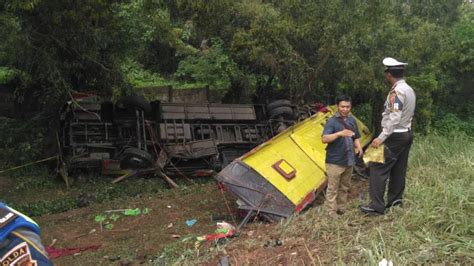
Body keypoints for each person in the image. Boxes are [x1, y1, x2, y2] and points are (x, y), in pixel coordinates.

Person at [360, 57, 416, 216]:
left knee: (377, 167)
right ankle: (395, 202)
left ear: (389, 75)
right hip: (406, 133)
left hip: (394, 135)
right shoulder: (409, 89)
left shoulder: (396, 92)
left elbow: (395, 117)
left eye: (386, 73)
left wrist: (381, 137)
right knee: (399, 168)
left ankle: (376, 207)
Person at [322, 95, 363, 217]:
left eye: (347, 107)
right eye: (342, 106)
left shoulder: (352, 120)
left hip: (349, 159)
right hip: (334, 161)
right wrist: (340, 133)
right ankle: (330, 211)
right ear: (337, 106)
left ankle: (341, 208)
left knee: (344, 187)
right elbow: (324, 139)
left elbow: (355, 136)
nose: (345, 109)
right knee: (332, 188)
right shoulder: (331, 122)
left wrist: (359, 146)